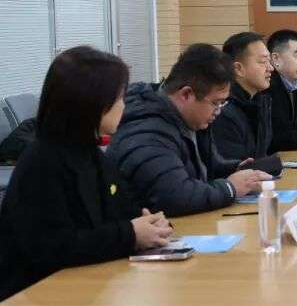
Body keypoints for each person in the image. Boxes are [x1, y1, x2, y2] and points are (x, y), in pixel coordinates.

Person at [0, 47, 174, 300]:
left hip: (84, 289)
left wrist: (148, 223)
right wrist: (130, 234)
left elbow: (122, 209)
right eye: (119, 99)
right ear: (90, 103)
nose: (123, 106)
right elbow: (53, 247)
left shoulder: (90, 153)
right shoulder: (42, 162)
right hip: (36, 298)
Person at [107, 44, 271, 217]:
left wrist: (234, 169)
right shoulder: (146, 132)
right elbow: (174, 196)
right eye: (216, 103)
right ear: (186, 94)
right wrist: (230, 188)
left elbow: (200, 168)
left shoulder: (189, 119)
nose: (218, 111)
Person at [210, 32, 281, 174]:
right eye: (263, 62)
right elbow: (236, 168)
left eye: (269, 61)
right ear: (238, 69)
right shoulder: (223, 110)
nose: (271, 68)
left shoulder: (260, 101)